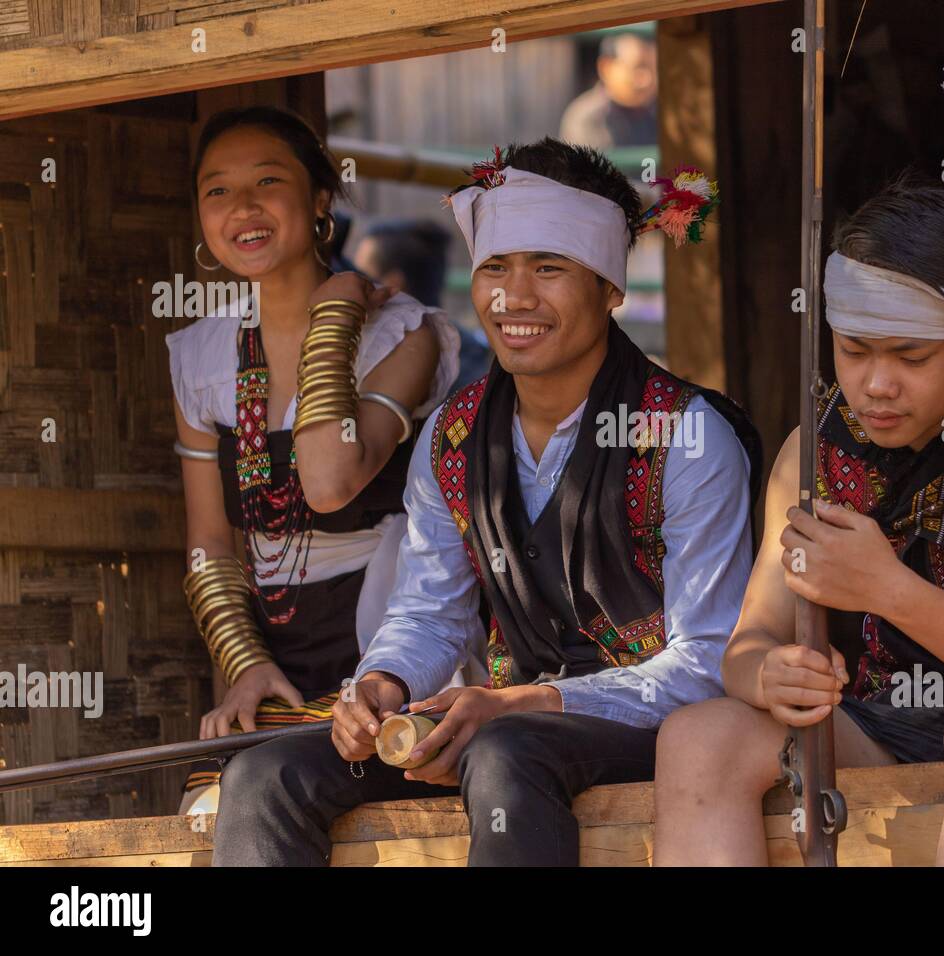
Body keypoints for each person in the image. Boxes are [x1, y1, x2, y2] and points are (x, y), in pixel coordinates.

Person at [209, 137, 762, 866]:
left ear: (610, 288)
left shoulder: (689, 435)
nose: (515, 296)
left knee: (502, 752)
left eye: (549, 267)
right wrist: (381, 684)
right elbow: (430, 612)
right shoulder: (454, 434)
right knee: (265, 772)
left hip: (653, 731)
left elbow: (707, 663)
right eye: (496, 267)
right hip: (500, 730)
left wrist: (521, 704)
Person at [652, 176, 944, 866]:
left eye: (911, 356)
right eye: (855, 351)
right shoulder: (817, 449)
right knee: (696, 737)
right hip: (881, 720)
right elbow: (750, 642)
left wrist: (885, 589)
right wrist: (769, 672)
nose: (876, 385)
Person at [166, 106, 463, 814]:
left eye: (268, 181)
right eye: (218, 190)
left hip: (393, 639)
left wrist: (336, 314)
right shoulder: (199, 355)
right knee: (207, 821)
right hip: (276, 651)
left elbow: (330, 482)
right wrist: (247, 665)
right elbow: (211, 542)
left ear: (320, 199)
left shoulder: (407, 334)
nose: (243, 207)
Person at [353, 217, 493, 391]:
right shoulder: (471, 355)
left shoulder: (392, 364)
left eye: (360, 276)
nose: (352, 285)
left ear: (391, 286)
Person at [559, 33, 658, 149]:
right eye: (638, 68)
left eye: (655, 69)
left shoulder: (667, 113)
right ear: (605, 68)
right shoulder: (586, 119)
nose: (647, 79)